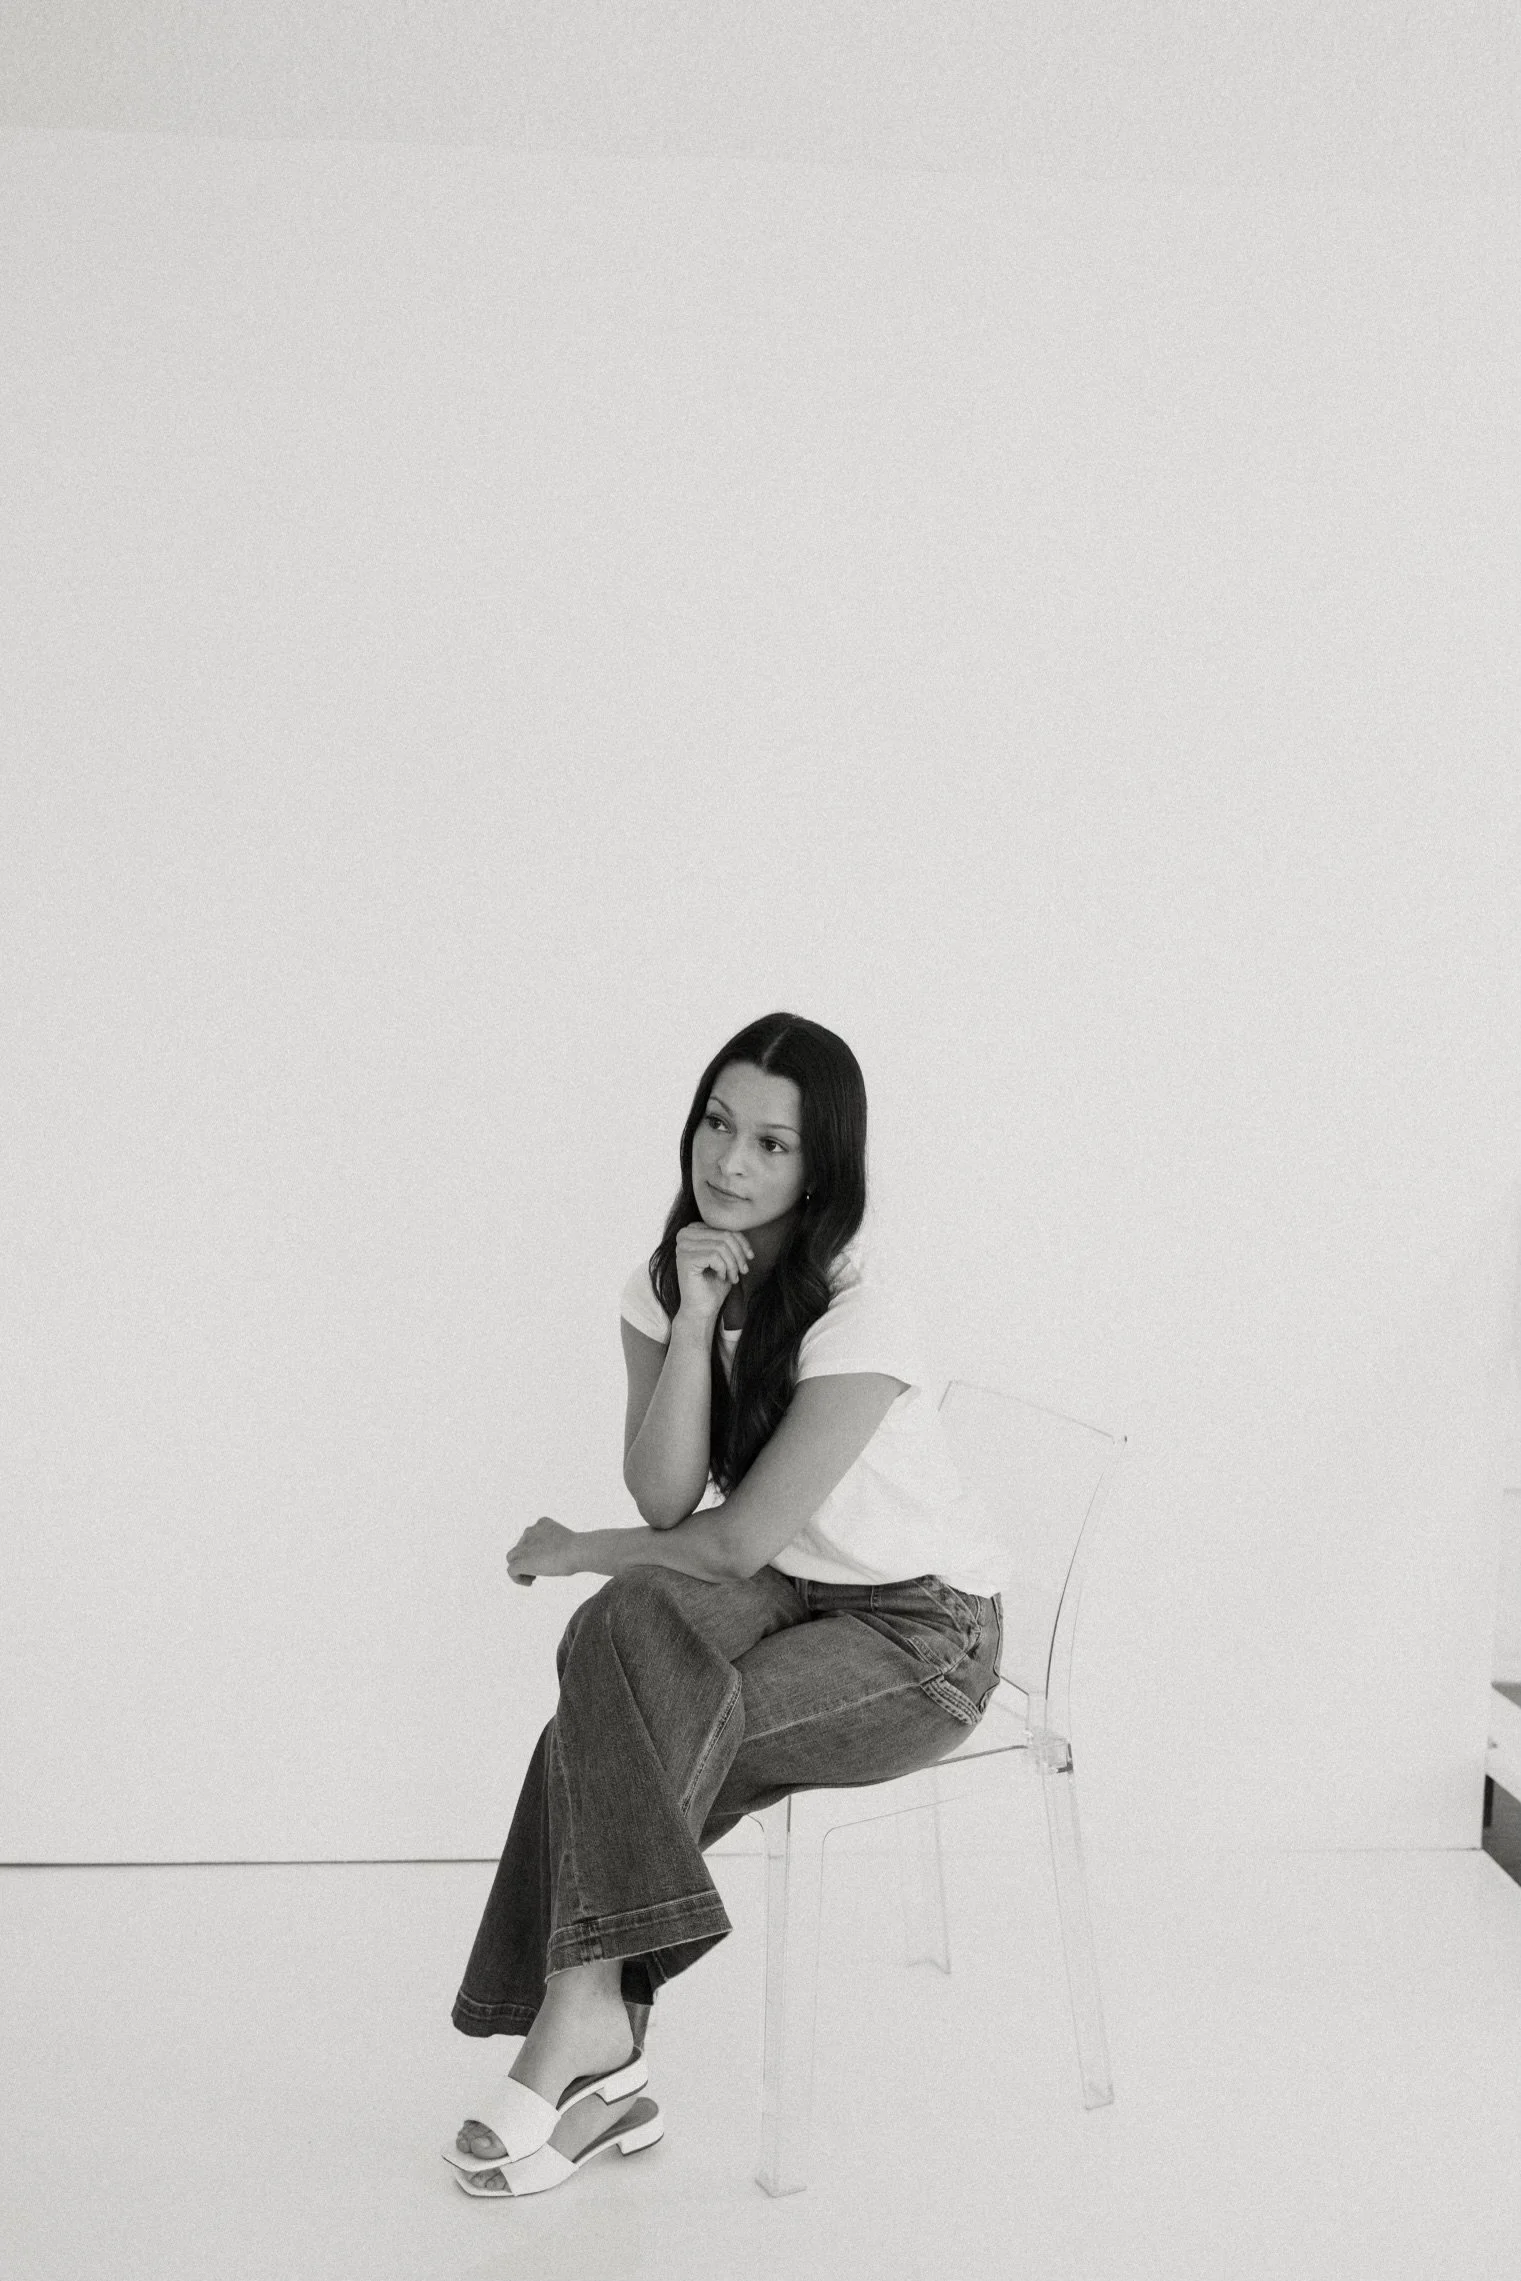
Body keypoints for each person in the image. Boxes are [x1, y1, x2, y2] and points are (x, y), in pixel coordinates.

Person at [442, 1011, 1008, 2199]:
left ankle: (579, 2030)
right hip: (784, 1591)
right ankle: (602, 2052)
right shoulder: (668, 1283)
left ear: (823, 1165)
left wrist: (571, 1545)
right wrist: (695, 1320)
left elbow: (737, 1530)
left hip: (922, 1630)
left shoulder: (865, 1309)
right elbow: (664, 1501)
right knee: (618, 1632)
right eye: (716, 1122)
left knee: (644, 1718)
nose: (731, 1163)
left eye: (772, 1143)